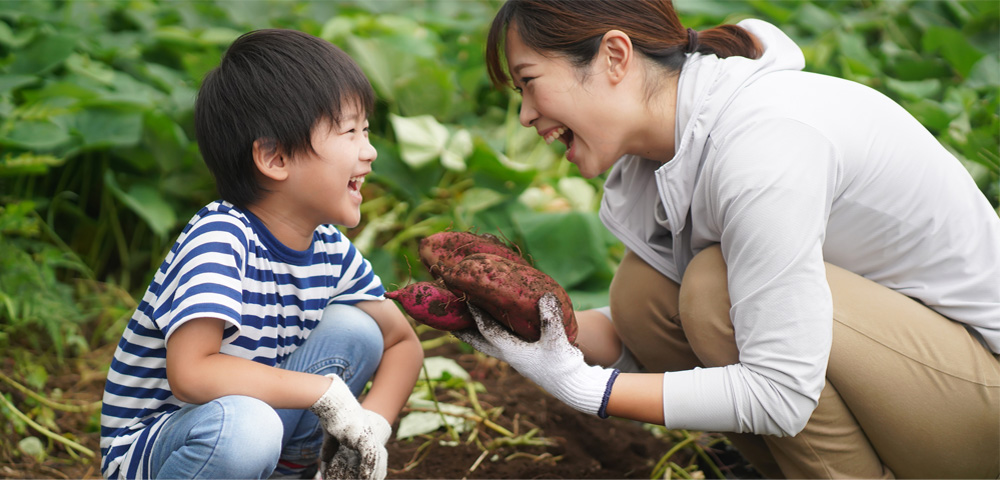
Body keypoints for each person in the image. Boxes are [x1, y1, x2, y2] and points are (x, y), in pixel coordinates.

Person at [457, 1, 1000, 478]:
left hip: (980, 410)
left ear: (615, 57)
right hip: (918, 386)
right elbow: (641, 334)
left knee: (714, 292)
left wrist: (587, 389)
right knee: (643, 297)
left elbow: (781, 392)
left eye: (529, 81)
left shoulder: (763, 142)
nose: (526, 114)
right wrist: (532, 328)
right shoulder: (667, 150)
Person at [99, 29, 423, 480]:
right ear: (274, 157)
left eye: (366, 130)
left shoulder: (329, 248)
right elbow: (190, 374)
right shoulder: (221, 237)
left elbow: (402, 343)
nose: (369, 151)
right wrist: (325, 394)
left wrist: (372, 424)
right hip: (167, 447)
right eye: (350, 131)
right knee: (247, 427)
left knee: (358, 329)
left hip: (257, 433)